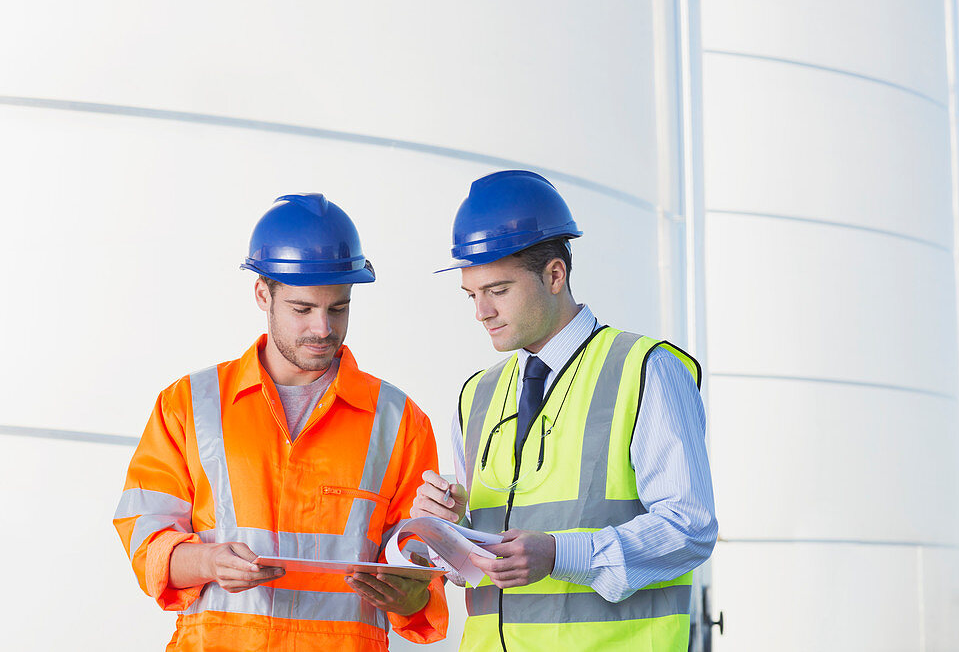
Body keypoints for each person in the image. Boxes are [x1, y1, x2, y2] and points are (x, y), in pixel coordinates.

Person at [113, 193, 447, 651]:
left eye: (338, 308)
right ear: (262, 294)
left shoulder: (398, 420)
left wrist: (411, 593)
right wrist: (209, 561)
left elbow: (420, 579)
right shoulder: (189, 404)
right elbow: (145, 544)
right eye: (302, 309)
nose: (323, 329)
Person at [413, 171, 717, 650]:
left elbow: (690, 527)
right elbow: (474, 568)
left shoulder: (645, 370)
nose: (481, 312)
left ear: (555, 275)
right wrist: (446, 528)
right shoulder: (476, 395)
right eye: (472, 295)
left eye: (498, 290)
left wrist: (560, 554)